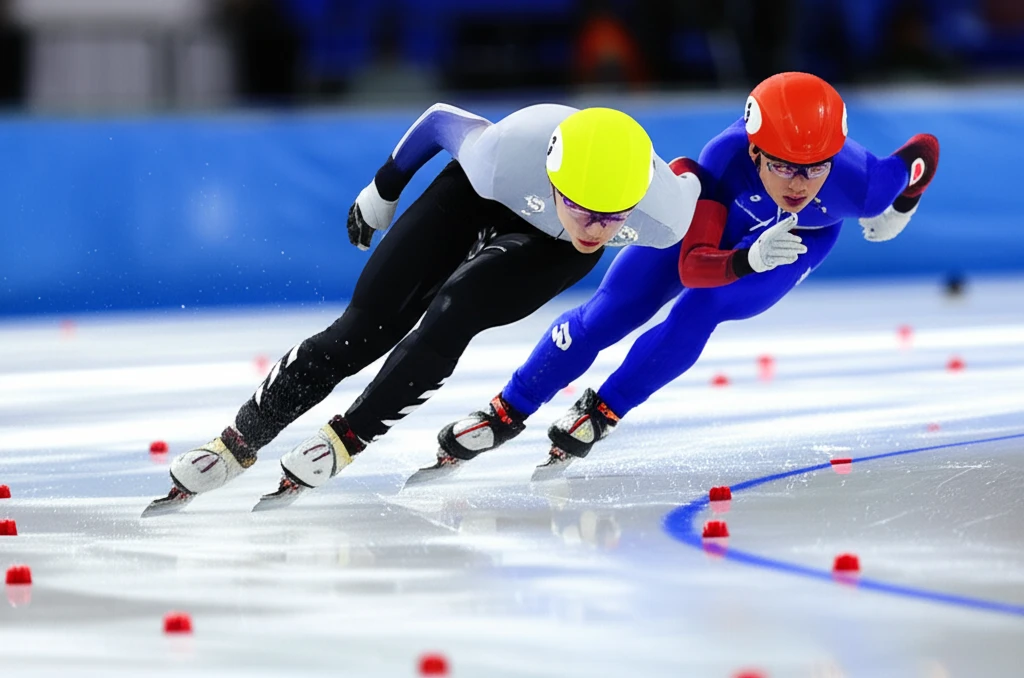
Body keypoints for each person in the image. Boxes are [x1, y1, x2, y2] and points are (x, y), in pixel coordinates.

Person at [144, 102, 702, 515]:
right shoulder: (503, 153)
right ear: (556, 178)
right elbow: (438, 121)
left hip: (544, 251)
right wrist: (384, 188)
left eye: (613, 218)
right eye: (584, 211)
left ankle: (349, 437)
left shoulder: (665, 214)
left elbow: (699, 200)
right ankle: (239, 440)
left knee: (454, 310)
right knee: (361, 331)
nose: (597, 229)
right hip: (476, 198)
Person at [436, 72, 940, 475]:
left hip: (797, 240)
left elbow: (924, 150)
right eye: (784, 166)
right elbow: (694, 264)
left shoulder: (865, 185)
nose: (800, 184)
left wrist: (901, 205)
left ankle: (604, 411)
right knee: (615, 309)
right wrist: (745, 258)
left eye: (815, 167)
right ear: (755, 150)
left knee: (705, 308)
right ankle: (509, 408)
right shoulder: (724, 160)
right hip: (721, 229)